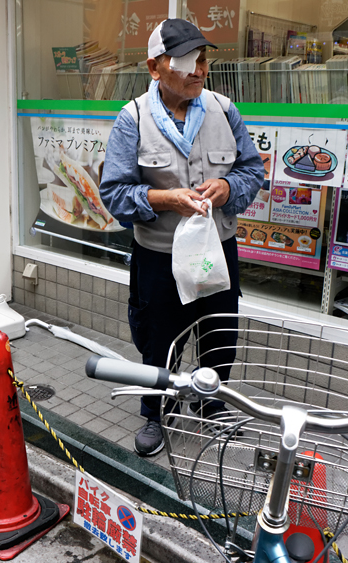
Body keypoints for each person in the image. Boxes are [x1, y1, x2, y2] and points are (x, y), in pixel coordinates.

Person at [99, 19, 264, 456]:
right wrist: (163, 198)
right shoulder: (132, 118)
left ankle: (212, 403)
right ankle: (156, 412)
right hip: (159, 256)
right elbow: (113, 193)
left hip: (216, 250)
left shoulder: (224, 110)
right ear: (155, 68)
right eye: (187, 61)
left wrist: (229, 188)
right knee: (159, 337)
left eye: (203, 60)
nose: (199, 70)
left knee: (219, 333)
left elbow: (252, 170)